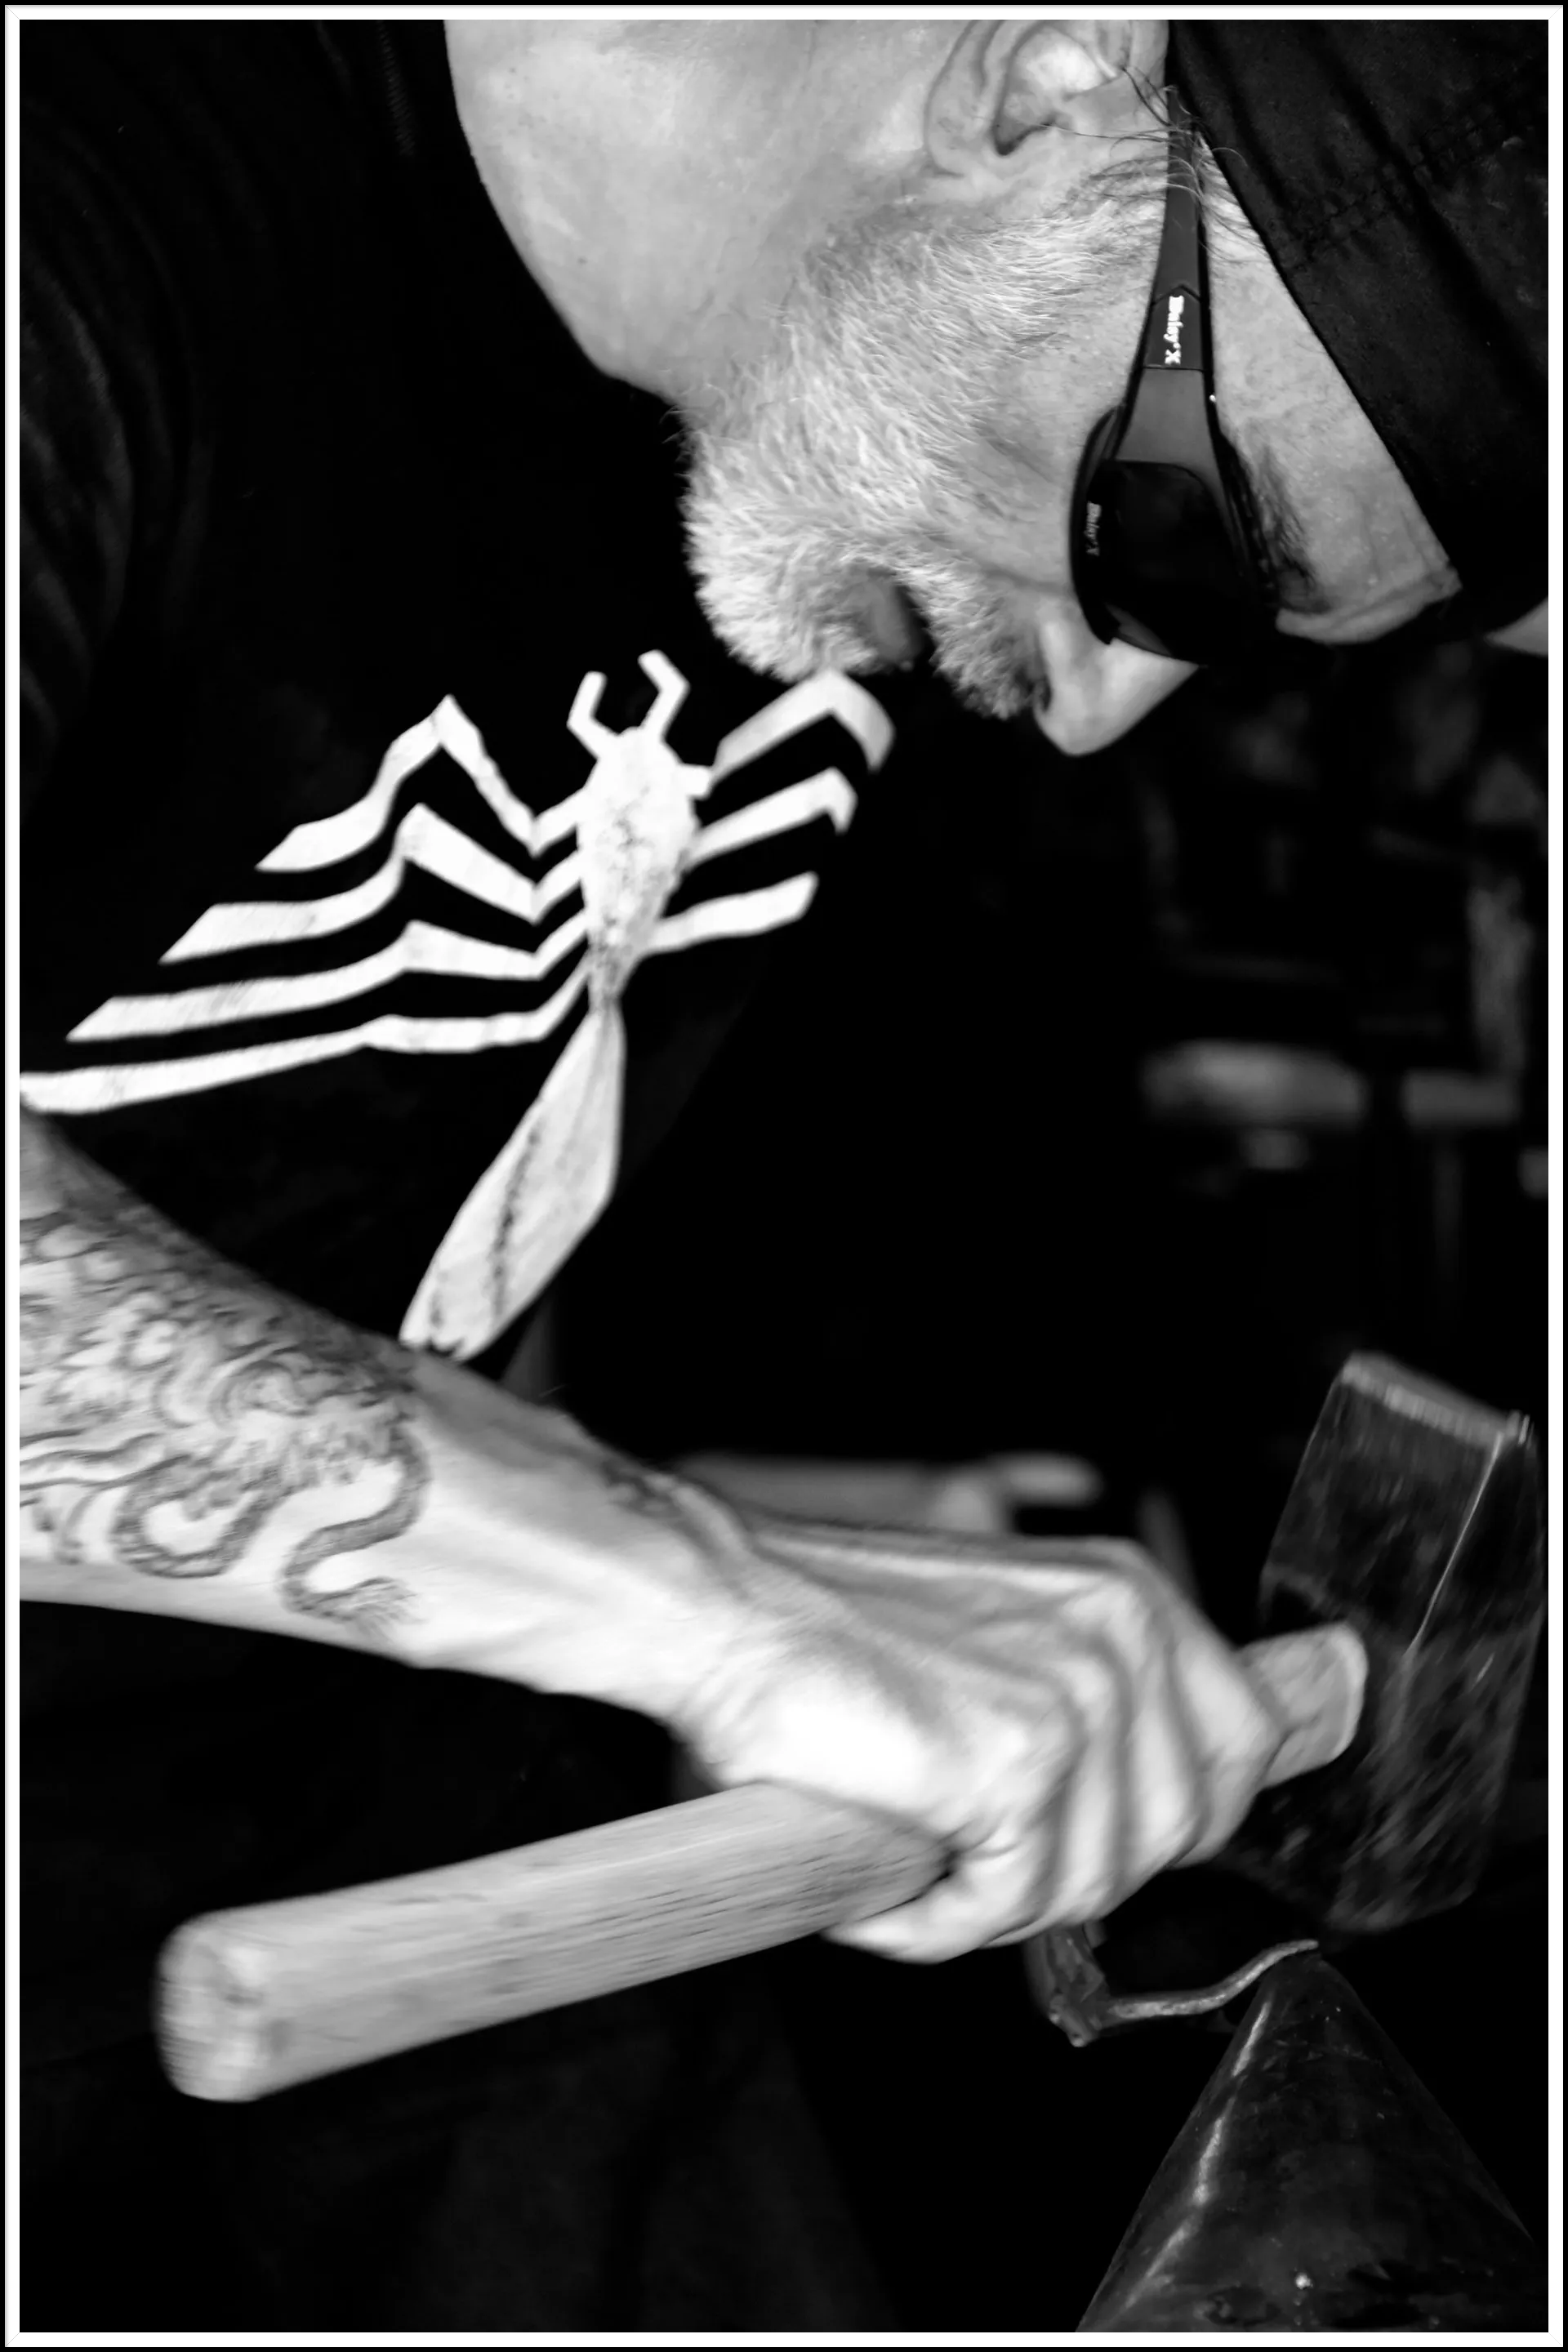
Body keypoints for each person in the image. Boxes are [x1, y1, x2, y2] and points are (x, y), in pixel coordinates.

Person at [19, 16, 1546, 2331]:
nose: (1105, 704)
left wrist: (766, 1593)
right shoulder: (91, 202)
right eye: (1187, 538)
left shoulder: (847, 429)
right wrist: (701, 1599)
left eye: (1245, 639)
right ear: (1040, 85)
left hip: (383, 1782)